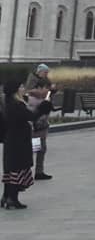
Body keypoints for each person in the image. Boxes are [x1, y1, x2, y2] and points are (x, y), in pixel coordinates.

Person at [2, 80, 53, 208]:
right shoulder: (16, 104)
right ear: (15, 90)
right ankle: (12, 199)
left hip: (12, 140)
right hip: (18, 141)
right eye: (21, 86)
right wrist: (43, 107)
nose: (23, 88)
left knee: (11, 170)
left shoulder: (10, 102)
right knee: (17, 169)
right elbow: (30, 116)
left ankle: (6, 197)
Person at [24, 64, 55, 181]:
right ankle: (31, 172)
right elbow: (33, 114)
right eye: (45, 89)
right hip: (36, 129)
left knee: (41, 150)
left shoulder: (41, 97)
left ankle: (38, 172)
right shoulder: (33, 99)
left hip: (40, 129)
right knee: (36, 150)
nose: (47, 91)